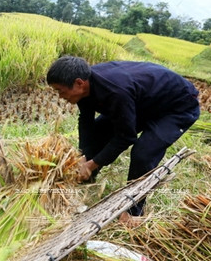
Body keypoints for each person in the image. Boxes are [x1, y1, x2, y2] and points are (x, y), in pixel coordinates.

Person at [46, 56, 200, 225]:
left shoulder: (115, 91)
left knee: (143, 153)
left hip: (177, 106)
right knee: (99, 132)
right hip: (143, 102)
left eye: (60, 90)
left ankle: (134, 211)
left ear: (79, 83)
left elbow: (125, 136)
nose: (60, 96)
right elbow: (86, 121)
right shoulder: (87, 85)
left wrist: (92, 164)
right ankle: (85, 182)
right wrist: (83, 155)